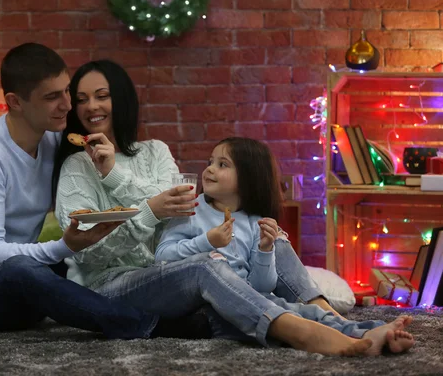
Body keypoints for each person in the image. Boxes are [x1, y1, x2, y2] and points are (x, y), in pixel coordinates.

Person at [53, 59, 412, 356]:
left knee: (272, 235)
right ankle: (303, 334)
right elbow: (88, 253)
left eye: (102, 96)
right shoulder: (75, 168)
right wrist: (145, 204)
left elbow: (176, 203)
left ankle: (342, 322)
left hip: (172, 274)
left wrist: (118, 176)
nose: (90, 107)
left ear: (123, 100)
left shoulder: (155, 151)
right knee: (206, 266)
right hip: (114, 285)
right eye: (82, 99)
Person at [0, 42, 211, 340]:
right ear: (15, 102)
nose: (68, 106)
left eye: (67, 91)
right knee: (21, 269)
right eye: (52, 97)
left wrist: (114, 172)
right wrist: (64, 246)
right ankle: (148, 325)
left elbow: (157, 192)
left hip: (37, 281)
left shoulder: (54, 143)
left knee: (65, 268)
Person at [157, 137, 415, 353]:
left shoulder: (253, 222)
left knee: (307, 312)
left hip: (252, 298)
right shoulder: (191, 209)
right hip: (211, 304)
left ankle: (370, 333)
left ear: (249, 178)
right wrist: (207, 241)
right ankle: (352, 340)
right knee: (283, 320)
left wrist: (265, 251)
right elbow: (162, 256)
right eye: (210, 162)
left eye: (222, 164)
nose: (209, 169)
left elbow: (260, 286)